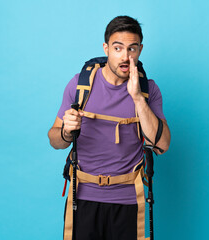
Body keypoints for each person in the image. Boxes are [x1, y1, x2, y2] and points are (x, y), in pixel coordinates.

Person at [48, 15, 171, 240]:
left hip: (128, 199)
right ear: (106, 48)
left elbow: (162, 145)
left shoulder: (148, 90)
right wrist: (66, 131)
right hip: (82, 196)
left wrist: (137, 99)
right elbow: (54, 140)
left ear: (140, 50)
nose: (125, 56)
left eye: (132, 49)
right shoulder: (79, 85)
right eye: (118, 48)